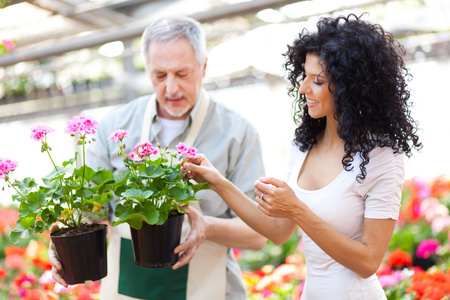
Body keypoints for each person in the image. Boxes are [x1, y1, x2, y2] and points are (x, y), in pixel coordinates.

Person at [183, 14, 422, 299]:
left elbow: (368, 262)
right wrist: (217, 182)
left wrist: (296, 209)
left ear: (351, 89)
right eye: (304, 76)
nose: (303, 88)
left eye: (317, 81)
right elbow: (278, 231)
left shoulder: (382, 158)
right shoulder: (305, 144)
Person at [48, 16, 267, 300]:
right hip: (128, 287)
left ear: (203, 66)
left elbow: (258, 235)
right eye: (160, 76)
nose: (171, 88)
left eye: (182, 73)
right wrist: (63, 240)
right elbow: (91, 213)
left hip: (210, 288)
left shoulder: (238, 133)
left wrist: (206, 226)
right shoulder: (115, 124)